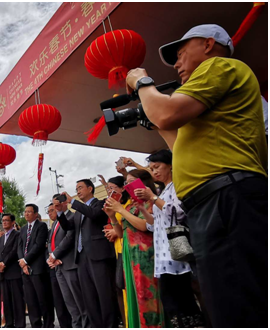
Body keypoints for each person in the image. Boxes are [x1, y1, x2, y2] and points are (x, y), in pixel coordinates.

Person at [125, 23, 268, 327]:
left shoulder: (220, 65)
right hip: (214, 202)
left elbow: (166, 112)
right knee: (223, 300)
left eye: (180, 53)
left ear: (207, 44)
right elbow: (177, 142)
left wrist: (143, 81)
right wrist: (151, 111)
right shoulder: (210, 105)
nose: (176, 63)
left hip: (226, 196)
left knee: (236, 302)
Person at [133, 150, 205, 327]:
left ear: (171, 165)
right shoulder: (164, 190)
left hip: (175, 253)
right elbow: (154, 224)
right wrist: (143, 210)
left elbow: (178, 212)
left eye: (157, 167)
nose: (154, 171)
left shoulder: (177, 185)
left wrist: (152, 197)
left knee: (180, 300)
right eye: (151, 168)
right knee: (171, 300)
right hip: (164, 253)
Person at [52, 179, 117, 328]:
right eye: (76, 189)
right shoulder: (78, 213)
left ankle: (109, 324)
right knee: (89, 296)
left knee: (104, 294)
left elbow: (95, 215)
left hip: (98, 256)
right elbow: (69, 227)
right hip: (81, 258)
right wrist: (61, 212)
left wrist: (72, 202)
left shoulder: (100, 203)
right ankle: (95, 325)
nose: (78, 191)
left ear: (90, 188)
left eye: (80, 188)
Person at [104, 170, 163, 327]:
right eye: (126, 182)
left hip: (145, 254)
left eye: (131, 181)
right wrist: (111, 216)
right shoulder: (130, 204)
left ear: (142, 183)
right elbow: (120, 233)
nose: (127, 185)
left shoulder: (150, 202)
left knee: (146, 295)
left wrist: (120, 210)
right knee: (133, 294)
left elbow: (144, 226)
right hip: (129, 253)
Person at [18, 204, 54, 328]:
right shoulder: (23, 229)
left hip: (38, 268)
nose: (26, 214)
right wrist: (22, 263)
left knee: (43, 299)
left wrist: (26, 260)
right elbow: (20, 246)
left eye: (29, 211)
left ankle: (48, 324)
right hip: (25, 269)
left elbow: (38, 246)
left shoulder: (41, 226)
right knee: (31, 300)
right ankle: (35, 324)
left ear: (35, 213)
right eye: (25, 211)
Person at [103, 176, 131, 327]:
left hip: (130, 249)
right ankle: (127, 322)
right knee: (120, 288)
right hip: (118, 250)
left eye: (113, 187)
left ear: (122, 188)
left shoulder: (128, 204)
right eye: (108, 188)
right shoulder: (114, 206)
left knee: (126, 288)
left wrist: (116, 231)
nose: (110, 191)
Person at [45, 200, 73, 328]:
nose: (50, 213)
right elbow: (49, 246)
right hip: (54, 266)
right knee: (60, 301)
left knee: (71, 301)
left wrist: (55, 256)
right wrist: (50, 258)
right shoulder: (53, 226)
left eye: (52, 210)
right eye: (48, 211)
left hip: (66, 263)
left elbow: (69, 239)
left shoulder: (68, 219)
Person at [0, 214, 26, 328]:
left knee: (17, 300)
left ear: (13, 222)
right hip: (4, 273)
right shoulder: (1, 238)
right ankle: (9, 323)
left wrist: (4, 263)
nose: (4, 222)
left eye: (7, 220)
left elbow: (14, 251)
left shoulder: (17, 235)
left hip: (14, 271)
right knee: (7, 301)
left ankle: (19, 324)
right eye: (3, 220)